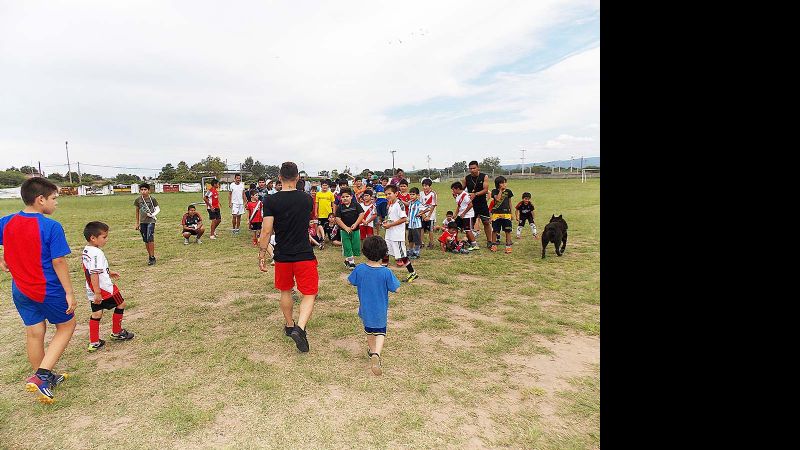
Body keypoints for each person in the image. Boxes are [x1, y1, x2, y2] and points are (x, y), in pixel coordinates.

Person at [0, 177, 76, 404]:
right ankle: (42, 375)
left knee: (35, 332)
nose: (56, 203)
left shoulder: (7, 221)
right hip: (47, 290)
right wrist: (69, 292)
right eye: (54, 198)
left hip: (20, 290)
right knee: (67, 325)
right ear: (40, 199)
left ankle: (43, 377)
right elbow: (59, 262)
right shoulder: (51, 226)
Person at [258, 162, 318, 353]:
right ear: (298, 177)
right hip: (304, 254)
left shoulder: (270, 201)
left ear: (279, 177)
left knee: (285, 291)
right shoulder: (307, 199)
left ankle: (290, 325)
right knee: (309, 293)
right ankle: (300, 328)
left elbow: (266, 231)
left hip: (282, 254)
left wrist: (262, 254)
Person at [348, 236, 401, 376]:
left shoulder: (359, 269)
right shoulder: (386, 272)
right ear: (384, 253)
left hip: (365, 310)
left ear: (364, 251)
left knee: (369, 332)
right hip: (380, 311)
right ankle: (377, 353)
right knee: (380, 333)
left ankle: (372, 352)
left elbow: (350, 281)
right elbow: (397, 288)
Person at [82, 221, 135, 352]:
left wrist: (108, 272)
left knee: (96, 313)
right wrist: (98, 292)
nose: (106, 239)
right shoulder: (96, 253)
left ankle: (94, 341)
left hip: (91, 289)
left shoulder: (87, 250)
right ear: (93, 238)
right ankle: (117, 332)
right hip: (104, 289)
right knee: (121, 305)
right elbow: (94, 273)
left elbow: (92, 269)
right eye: (104, 237)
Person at [382, 185, 418, 282]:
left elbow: (404, 218)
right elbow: (392, 218)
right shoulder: (390, 205)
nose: (388, 196)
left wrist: (391, 225)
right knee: (385, 252)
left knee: (402, 255)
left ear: (396, 193)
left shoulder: (399, 204)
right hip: (389, 234)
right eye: (386, 194)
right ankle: (382, 273)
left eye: (389, 194)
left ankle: (412, 272)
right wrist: (386, 223)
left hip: (397, 235)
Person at [461, 161, 493, 248]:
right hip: (472, 204)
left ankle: (489, 241)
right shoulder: (466, 178)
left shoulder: (484, 176)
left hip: (482, 203)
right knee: (471, 223)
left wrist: (475, 194)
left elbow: (486, 190)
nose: (472, 170)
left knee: (486, 222)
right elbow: (462, 189)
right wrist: (456, 191)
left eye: (474, 168)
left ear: (478, 168)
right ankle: (471, 241)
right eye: (470, 168)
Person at [334, 188, 366, 269]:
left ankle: (347, 260)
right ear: (341, 198)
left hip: (355, 229)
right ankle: (352, 263)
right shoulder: (340, 207)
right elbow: (337, 219)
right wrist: (345, 228)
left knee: (355, 246)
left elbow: (361, 214)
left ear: (351, 196)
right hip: (344, 231)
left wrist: (355, 224)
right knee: (347, 246)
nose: (345, 198)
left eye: (347, 196)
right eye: (343, 197)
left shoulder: (356, 205)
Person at [134, 183, 160, 265]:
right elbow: (137, 211)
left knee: (150, 238)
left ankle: (152, 257)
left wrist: (153, 215)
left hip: (151, 221)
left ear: (149, 190)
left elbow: (157, 209)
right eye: (141, 190)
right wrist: (137, 223)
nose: (143, 191)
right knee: (145, 239)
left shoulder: (152, 199)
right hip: (142, 222)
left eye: (145, 189)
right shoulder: (138, 200)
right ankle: (150, 256)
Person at [490, 176, 514, 253]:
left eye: (504, 182)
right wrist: (501, 190)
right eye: (502, 183)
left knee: (508, 230)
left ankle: (508, 246)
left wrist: (511, 213)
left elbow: (510, 202)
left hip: (506, 214)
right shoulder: (494, 191)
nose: (504, 184)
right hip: (496, 214)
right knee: (495, 230)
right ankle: (493, 245)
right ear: (498, 184)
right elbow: (497, 199)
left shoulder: (509, 192)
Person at [451, 181, 478, 251]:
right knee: (455, 227)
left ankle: (475, 244)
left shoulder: (465, 195)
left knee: (468, 230)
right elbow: (459, 206)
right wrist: (456, 214)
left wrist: (464, 213)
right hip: (461, 215)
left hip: (467, 215)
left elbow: (471, 205)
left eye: (453, 189)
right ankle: (455, 241)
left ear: (458, 189)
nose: (452, 191)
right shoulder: (458, 196)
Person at [420, 178, 438, 248]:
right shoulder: (421, 193)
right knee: (421, 228)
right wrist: (423, 215)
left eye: (426, 186)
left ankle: (431, 243)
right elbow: (420, 205)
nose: (424, 187)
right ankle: (421, 242)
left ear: (430, 186)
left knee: (430, 229)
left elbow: (433, 205)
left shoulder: (433, 193)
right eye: (423, 186)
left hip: (431, 215)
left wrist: (429, 216)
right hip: (423, 214)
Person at [407, 187, 424, 259]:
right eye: (410, 194)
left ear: (417, 195)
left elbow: (427, 208)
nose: (411, 196)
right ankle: (410, 251)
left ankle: (416, 253)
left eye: (413, 194)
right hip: (410, 225)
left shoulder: (418, 203)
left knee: (417, 239)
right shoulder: (410, 203)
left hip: (416, 225)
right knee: (410, 239)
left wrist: (420, 213)